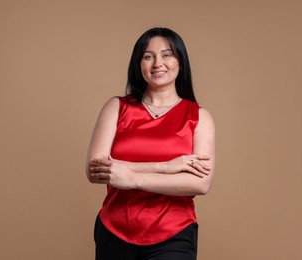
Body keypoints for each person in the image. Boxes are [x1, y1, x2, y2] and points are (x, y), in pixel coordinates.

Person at [85, 27, 216, 260]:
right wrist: (165, 167)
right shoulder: (116, 108)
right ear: (138, 64)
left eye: (167, 55)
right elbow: (96, 171)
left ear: (180, 62)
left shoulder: (199, 116)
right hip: (114, 229)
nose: (158, 63)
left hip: (173, 232)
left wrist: (133, 178)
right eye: (148, 56)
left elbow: (200, 183)